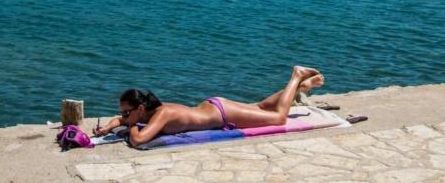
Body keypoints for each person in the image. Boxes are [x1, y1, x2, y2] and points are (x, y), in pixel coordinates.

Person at [92, 65, 325, 146]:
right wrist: (108, 128)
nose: (123, 115)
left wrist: (132, 128)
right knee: (263, 107)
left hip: (221, 113)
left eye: (127, 111)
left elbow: (138, 140)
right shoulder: (148, 113)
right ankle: (302, 88)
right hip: (215, 106)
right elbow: (119, 120)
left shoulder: (159, 116)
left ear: (140, 109)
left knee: (277, 118)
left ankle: (296, 76)